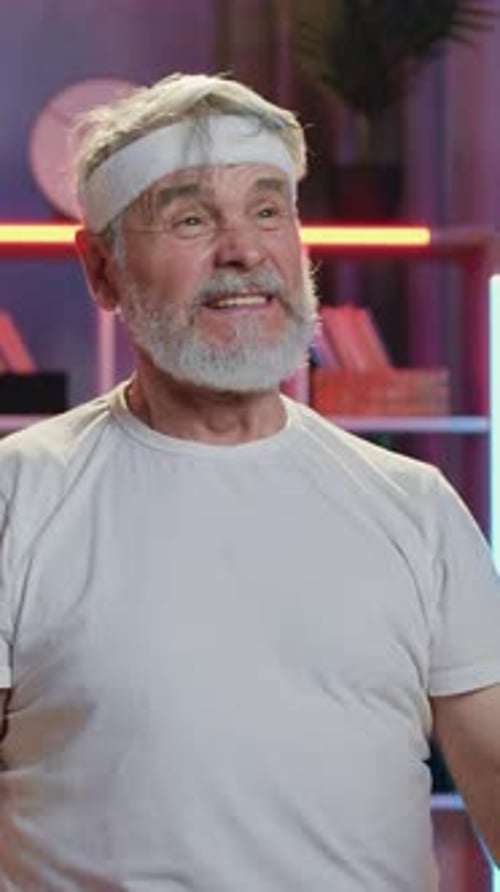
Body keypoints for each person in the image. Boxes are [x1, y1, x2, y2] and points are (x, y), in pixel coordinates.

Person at [0, 71, 499, 892]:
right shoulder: (18, 500)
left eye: (269, 210)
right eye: (192, 218)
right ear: (101, 270)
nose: (245, 250)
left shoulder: (414, 506)